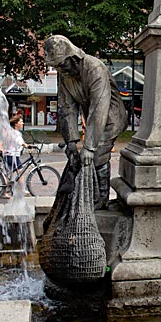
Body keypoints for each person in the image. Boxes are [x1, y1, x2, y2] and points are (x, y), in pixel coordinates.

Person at [43, 34, 128, 209]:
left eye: (62, 64)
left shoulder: (94, 67)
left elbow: (100, 106)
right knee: (78, 158)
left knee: (96, 155)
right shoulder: (64, 74)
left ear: (72, 58)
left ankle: (100, 200)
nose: (60, 69)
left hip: (111, 117)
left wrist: (89, 146)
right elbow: (67, 108)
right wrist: (72, 142)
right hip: (92, 116)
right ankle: (90, 195)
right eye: (56, 66)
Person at [2, 114, 29, 198]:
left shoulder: (12, 132)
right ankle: (22, 190)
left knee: (9, 174)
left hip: (10, 155)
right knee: (20, 172)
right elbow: (18, 141)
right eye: (21, 122)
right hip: (12, 155)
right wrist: (25, 145)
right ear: (16, 124)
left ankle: (6, 192)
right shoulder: (15, 133)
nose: (22, 123)